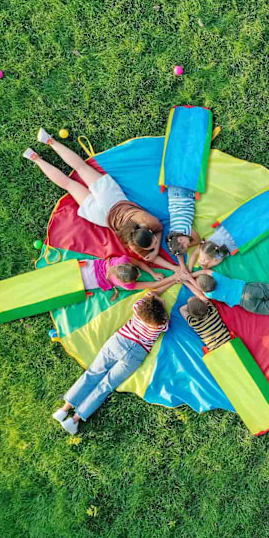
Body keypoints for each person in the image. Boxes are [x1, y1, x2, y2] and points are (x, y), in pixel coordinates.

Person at [23, 128, 166, 263]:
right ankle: (35, 158)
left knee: (81, 167)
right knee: (68, 185)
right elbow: (150, 257)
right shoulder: (132, 242)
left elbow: (158, 228)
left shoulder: (147, 220)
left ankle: (49, 141)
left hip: (110, 198)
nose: (155, 244)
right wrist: (154, 249)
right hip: (100, 216)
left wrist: (155, 240)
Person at [53, 292, 169, 434]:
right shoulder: (161, 324)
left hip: (119, 342)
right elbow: (165, 321)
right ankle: (74, 420)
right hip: (135, 354)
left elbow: (149, 296)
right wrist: (162, 304)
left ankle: (64, 409)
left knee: (92, 373)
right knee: (106, 385)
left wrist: (155, 298)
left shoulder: (138, 307)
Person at [192, 270, 269, 326]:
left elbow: (198, 293)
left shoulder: (210, 295)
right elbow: (207, 271)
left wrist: (188, 280)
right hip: (249, 289)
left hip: (245, 303)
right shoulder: (217, 277)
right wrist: (193, 274)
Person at [79, 254, 170, 300]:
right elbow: (152, 284)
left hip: (88, 267)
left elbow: (139, 263)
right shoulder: (126, 285)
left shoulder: (124, 260)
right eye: (137, 277)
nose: (140, 275)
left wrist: (153, 273)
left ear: (127, 264)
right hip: (90, 278)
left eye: (137, 272)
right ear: (128, 282)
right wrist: (173, 278)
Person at [165, 185, 201, 265]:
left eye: (186, 245)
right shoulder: (172, 231)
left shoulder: (185, 230)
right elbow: (177, 247)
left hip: (184, 196)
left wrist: (191, 245)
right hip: (172, 195)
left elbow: (197, 240)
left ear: (180, 240)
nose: (188, 244)